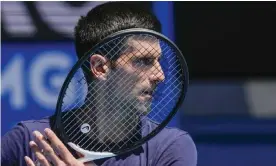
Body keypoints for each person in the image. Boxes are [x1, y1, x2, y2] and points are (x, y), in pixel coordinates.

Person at [1, 2, 197, 166]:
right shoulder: (25, 141)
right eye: (143, 61)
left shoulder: (171, 148)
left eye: (158, 61)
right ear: (100, 67)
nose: (159, 75)